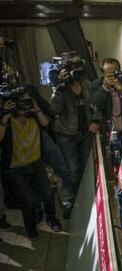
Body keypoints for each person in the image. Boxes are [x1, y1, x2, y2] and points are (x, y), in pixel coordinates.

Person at [0, 92, 62, 241]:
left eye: (26, 102)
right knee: (28, 200)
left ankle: (51, 218)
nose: (24, 106)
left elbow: (46, 125)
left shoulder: (33, 116)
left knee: (47, 193)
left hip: (36, 162)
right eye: (21, 103)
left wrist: (36, 108)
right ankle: (31, 226)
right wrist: (3, 119)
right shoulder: (7, 120)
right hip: (16, 167)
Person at [51, 51, 101, 212]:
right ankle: (67, 201)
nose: (77, 71)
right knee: (70, 170)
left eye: (80, 67)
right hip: (67, 136)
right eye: (74, 68)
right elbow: (54, 109)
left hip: (86, 134)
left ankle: (83, 198)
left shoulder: (87, 84)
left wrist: (95, 120)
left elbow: (95, 107)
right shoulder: (60, 88)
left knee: (85, 168)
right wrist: (60, 86)